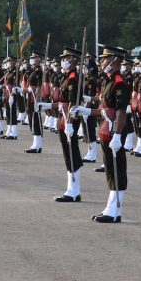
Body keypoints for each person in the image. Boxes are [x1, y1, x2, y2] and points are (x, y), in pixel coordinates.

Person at [91, 45, 131, 223]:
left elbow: (121, 111)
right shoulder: (108, 80)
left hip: (115, 130)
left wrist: (117, 135)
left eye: (104, 58)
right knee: (109, 169)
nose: (101, 62)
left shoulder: (119, 82)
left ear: (115, 60)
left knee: (117, 169)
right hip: (106, 128)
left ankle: (116, 209)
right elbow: (104, 108)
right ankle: (110, 206)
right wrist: (86, 111)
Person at [54, 48, 85, 201]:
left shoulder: (74, 78)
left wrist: (70, 123)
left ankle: (74, 191)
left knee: (71, 153)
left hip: (69, 118)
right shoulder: (67, 77)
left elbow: (73, 103)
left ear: (73, 60)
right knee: (68, 153)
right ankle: (71, 189)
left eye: (66, 58)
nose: (63, 60)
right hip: (64, 117)